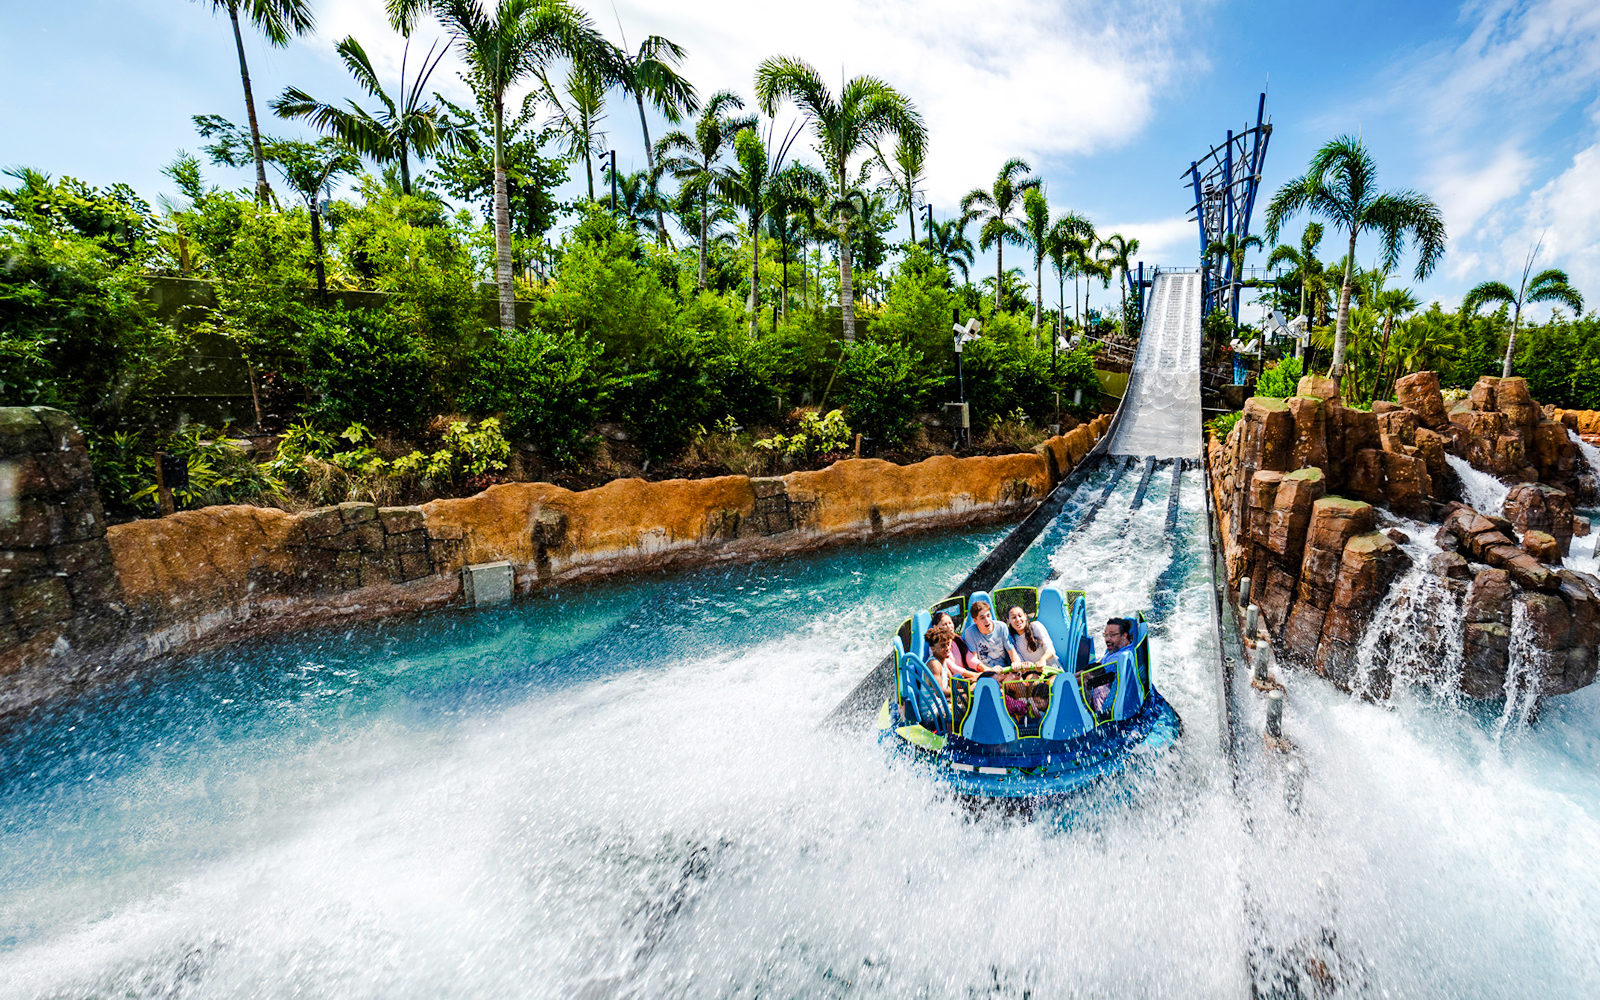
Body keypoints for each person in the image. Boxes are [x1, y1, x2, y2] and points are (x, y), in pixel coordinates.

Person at [1088, 617, 1135, 713]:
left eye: (1111, 635)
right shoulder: (1116, 647)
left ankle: (1099, 719)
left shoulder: (1121, 658)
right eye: (1105, 635)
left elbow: (1095, 677)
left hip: (1113, 698)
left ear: (1124, 636)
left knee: (1097, 688)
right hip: (1103, 679)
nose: (1107, 639)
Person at [963, 600, 1021, 673]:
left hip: (1004, 670)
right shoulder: (970, 633)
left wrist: (1016, 664)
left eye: (988, 615)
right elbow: (974, 660)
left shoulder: (1002, 627)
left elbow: (1012, 652)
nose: (987, 620)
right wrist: (990, 670)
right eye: (982, 618)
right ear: (975, 621)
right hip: (985, 673)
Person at [923, 623, 962, 692]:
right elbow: (940, 692)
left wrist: (973, 681)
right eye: (943, 646)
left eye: (948, 644)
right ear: (933, 648)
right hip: (935, 703)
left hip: (943, 701)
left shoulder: (942, 661)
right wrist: (966, 691)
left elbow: (953, 683)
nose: (947, 648)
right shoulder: (934, 664)